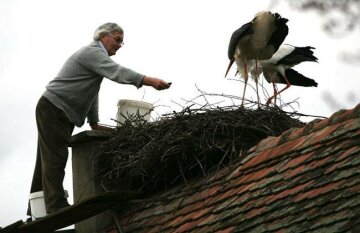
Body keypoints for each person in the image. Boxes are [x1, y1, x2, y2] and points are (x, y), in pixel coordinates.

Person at [27, 22, 170, 217]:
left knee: (47, 158)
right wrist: (148, 80)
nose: (120, 44)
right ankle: (56, 206)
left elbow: (91, 93)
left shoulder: (96, 60)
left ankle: (35, 209)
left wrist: (94, 122)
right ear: (103, 37)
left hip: (57, 110)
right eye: (117, 39)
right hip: (53, 108)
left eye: (122, 41)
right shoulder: (93, 52)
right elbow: (117, 72)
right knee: (55, 158)